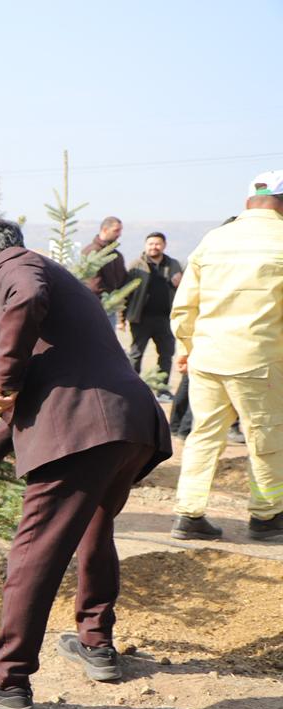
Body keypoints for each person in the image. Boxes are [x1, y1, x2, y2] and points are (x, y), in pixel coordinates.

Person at [0, 219, 171, 709]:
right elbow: (12, 407)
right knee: (94, 528)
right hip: (130, 425)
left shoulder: (17, 266)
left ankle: (8, 680)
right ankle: (96, 643)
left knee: (34, 552)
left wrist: (1, 376)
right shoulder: (58, 291)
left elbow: (22, 302)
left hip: (85, 429)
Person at [168, 172, 283, 543]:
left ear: (249, 201)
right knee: (267, 438)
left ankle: (188, 514)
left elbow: (184, 306)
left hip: (207, 358)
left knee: (203, 436)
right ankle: (266, 518)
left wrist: (187, 350)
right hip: (259, 360)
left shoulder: (213, 240)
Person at [122, 232, 183, 393]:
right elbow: (125, 293)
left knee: (166, 355)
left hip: (165, 319)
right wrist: (122, 318)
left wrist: (180, 284)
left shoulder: (174, 265)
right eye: (150, 244)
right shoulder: (136, 265)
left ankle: (162, 389)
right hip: (140, 318)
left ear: (164, 245)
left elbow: (184, 288)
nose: (154, 247)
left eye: (157, 244)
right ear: (145, 245)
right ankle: (132, 389)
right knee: (136, 354)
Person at [82, 216, 129, 297]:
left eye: (120, 231)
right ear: (105, 230)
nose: (119, 234)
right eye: (116, 231)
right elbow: (93, 284)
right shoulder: (92, 252)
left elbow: (123, 280)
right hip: (98, 304)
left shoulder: (117, 255)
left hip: (115, 305)